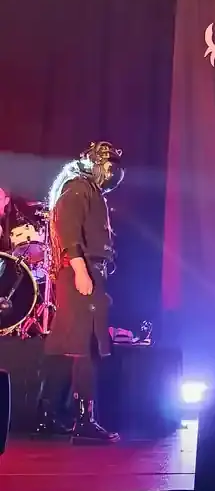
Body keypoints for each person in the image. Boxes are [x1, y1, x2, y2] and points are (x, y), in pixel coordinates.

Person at [34, 141, 124, 443]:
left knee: (64, 343)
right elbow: (68, 231)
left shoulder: (88, 190)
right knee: (86, 345)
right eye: (108, 165)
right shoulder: (78, 188)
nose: (112, 172)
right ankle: (85, 419)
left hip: (84, 271)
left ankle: (48, 414)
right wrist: (82, 272)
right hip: (80, 272)